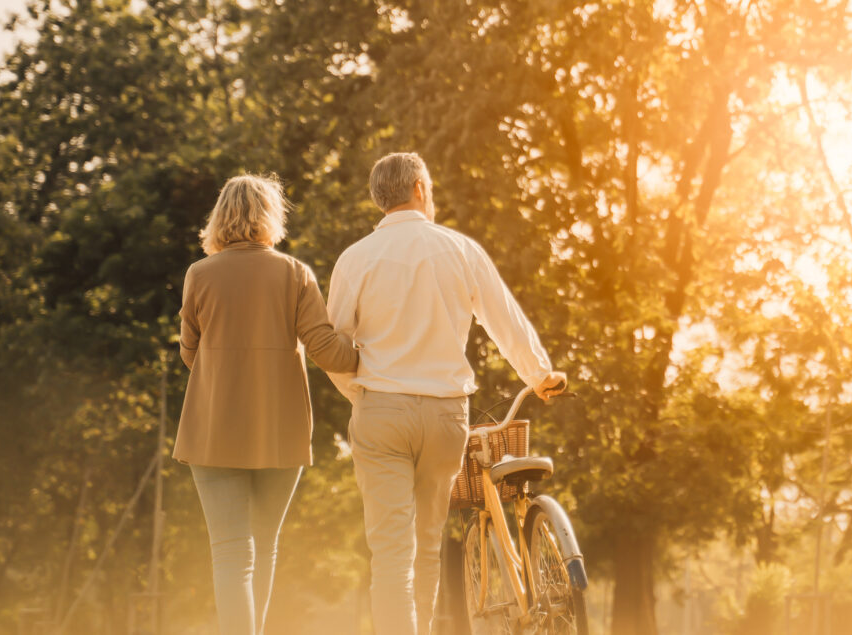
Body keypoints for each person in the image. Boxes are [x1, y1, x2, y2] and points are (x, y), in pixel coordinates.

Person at [326, 152, 566, 635]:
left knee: (392, 552)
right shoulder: (458, 249)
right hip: (445, 416)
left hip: (381, 412)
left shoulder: (355, 259)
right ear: (419, 187)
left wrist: (362, 397)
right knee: (428, 544)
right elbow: (504, 319)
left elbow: (334, 346)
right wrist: (540, 375)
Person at [175, 174, 360, 635]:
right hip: (280, 431)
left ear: (219, 218)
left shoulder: (199, 274)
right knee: (265, 544)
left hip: (213, 429)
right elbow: (328, 351)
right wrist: (381, 353)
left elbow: (188, 352)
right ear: (270, 217)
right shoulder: (294, 273)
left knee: (231, 552)